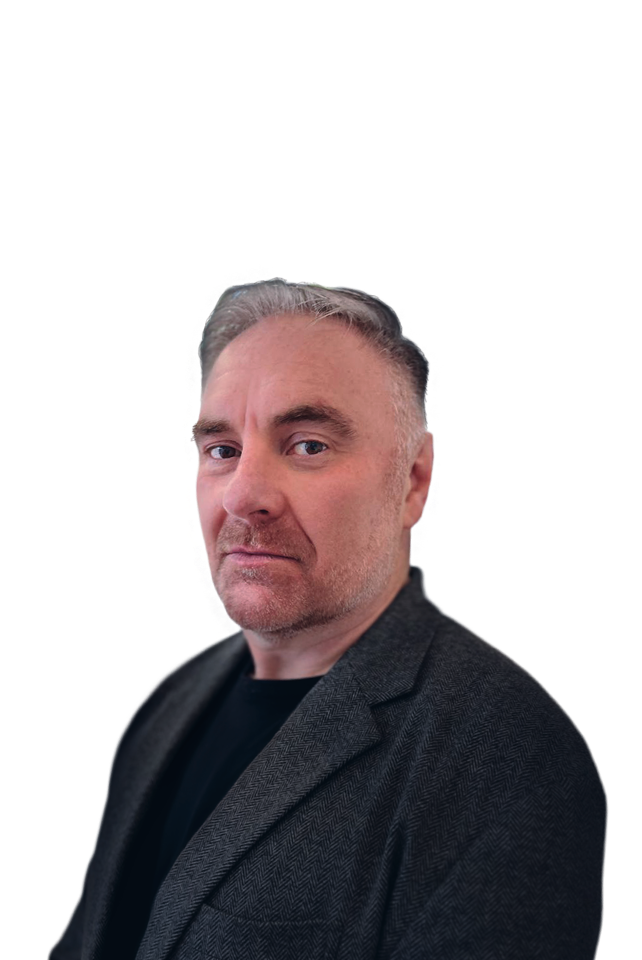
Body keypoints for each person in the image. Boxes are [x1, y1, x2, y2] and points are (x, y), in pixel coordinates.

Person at [48, 280, 607, 959]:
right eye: (222, 449)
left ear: (414, 480)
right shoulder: (170, 701)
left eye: (307, 445)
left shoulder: (507, 757)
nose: (244, 496)